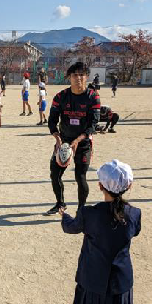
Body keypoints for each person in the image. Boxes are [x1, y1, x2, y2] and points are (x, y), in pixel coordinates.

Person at [61, 160, 141, 304]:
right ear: (128, 186)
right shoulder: (134, 214)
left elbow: (70, 228)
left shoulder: (89, 213)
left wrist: (64, 216)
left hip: (93, 275)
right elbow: (135, 231)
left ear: (100, 186)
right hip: (120, 275)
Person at [45, 62, 102, 216]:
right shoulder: (60, 97)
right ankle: (60, 204)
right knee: (54, 174)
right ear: (69, 77)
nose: (78, 78)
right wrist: (57, 137)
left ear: (87, 77)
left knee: (80, 176)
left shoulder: (93, 97)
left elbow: (93, 124)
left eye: (81, 74)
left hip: (83, 143)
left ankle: (81, 209)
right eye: (74, 75)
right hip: (63, 142)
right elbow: (52, 120)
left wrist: (78, 140)